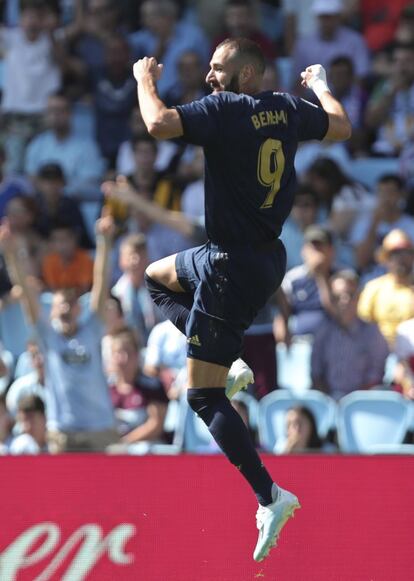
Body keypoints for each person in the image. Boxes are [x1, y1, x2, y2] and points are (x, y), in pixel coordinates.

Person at [129, 37, 350, 561]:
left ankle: (269, 495)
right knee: (156, 277)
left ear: (248, 75)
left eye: (219, 68)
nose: (210, 77)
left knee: (201, 397)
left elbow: (157, 124)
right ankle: (223, 363)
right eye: (209, 68)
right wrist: (320, 86)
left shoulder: (227, 108)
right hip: (252, 256)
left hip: (229, 266)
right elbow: (339, 126)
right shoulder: (287, 109)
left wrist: (143, 78)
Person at [0, 209, 119, 453]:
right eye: (59, 304)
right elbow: (25, 293)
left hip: (101, 430)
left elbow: (101, 282)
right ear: (51, 312)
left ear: (78, 309)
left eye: (70, 303)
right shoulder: (48, 335)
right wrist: (11, 255)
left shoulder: (92, 328)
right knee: (66, 493)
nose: (65, 307)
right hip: (62, 432)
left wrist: (104, 242)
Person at [311, 270, 389, 400]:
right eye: (337, 297)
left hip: (362, 403)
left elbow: (376, 374)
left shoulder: (372, 332)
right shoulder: (323, 331)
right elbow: (316, 373)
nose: (344, 301)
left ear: (358, 297)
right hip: (329, 400)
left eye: (349, 295)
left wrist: (351, 402)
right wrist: (329, 400)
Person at [357, 229, 414, 347]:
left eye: (406, 252)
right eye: (395, 253)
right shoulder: (373, 289)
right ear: (386, 259)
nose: (401, 258)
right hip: (378, 352)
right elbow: (362, 325)